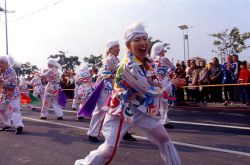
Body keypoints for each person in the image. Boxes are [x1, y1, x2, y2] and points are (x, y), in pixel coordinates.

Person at [75, 23, 181, 165]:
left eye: (144, 38)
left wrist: (167, 84)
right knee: (109, 150)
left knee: (163, 137)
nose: (142, 42)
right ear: (129, 45)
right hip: (122, 110)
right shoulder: (127, 65)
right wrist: (171, 84)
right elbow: (148, 90)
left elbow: (153, 83)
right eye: (137, 40)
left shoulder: (146, 62)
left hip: (141, 107)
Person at [151, 42, 175, 129]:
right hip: (164, 84)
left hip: (155, 83)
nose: (164, 51)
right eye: (163, 49)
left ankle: (160, 120)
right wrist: (167, 73)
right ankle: (163, 121)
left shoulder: (151, 59)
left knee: (156, 102)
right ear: (160, 50)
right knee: (164, 103)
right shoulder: (164, 59)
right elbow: (173, 68)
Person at [0, 55, 24, 135]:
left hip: (13, 93)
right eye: (0, 62)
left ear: (7, 63)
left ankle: (19, 126)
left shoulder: (11, 71)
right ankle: (6, 124)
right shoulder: (2, 72)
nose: (0, 64)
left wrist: (2, 81)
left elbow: (12, 84)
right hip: (5, 94)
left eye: (2, 62)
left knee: (16, 109)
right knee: (1, 109)